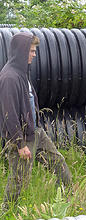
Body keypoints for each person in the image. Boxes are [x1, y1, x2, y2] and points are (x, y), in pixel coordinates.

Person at [0, 32, 72, 207]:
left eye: (34, 50)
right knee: (19, 181)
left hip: (36, 133)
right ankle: (6, 216)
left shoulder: (23, 73)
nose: (34, 54)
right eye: (31, 51)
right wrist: (20, 143)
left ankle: (62, 205)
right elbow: (8, 114)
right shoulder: (10, 77)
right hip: (22, 139)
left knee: (59, 165)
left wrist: (36, 127)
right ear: (21, 51)